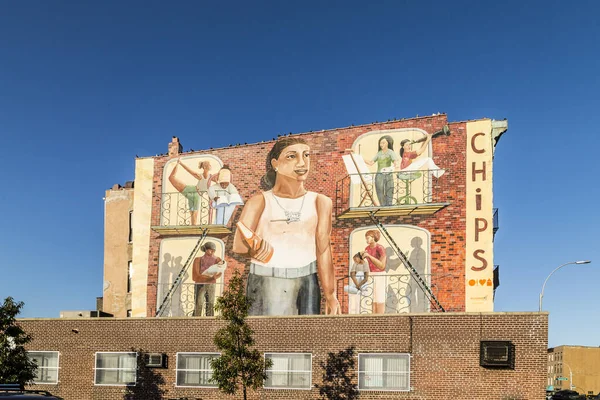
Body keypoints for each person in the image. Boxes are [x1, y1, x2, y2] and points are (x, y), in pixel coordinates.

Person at [233, 137, 340, 316]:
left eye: (306, 155)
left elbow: (323, 250)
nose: (302, 162)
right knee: (268, 339)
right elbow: (238, 244)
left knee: (305, 340)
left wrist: (330, 294)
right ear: (275, 163)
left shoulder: (321, 202)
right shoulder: (259, 201)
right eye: (292, 156)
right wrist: (255, 249)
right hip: (267, 280)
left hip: (308, 281)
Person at [168, 159, 215, 225]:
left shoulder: (211, 177)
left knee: (193, 215)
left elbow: (219, 180)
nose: (210, 166)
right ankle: (177, 164)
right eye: (209, 165)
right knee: (171, 178)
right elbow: (189, 170)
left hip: (194, 193)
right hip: (192, 191)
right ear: (204, 167)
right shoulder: (202, 176)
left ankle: (193, 229)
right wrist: (180, 163)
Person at [365, 135, 400, 206]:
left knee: (389, 190)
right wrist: (360, 158)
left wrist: (396, 165)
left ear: (388, 143)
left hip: (388, 175)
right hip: (379, 175)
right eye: (380, 143)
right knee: (379, 191)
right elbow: (371, 162)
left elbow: (395, 161)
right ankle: (382, 206)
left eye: (383, 143)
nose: (381, 145)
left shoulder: (390, 152)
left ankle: (389, 205)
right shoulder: (379, 153)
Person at [192, 241, 223, 316]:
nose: (212, 252)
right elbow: (196, 273)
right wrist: (207, 277)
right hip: (200, 284)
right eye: (210, 250)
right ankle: (196, 319)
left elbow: (220, 271)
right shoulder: (198, 259)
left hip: (211, 284)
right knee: (199, 303)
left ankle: (210, 320)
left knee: (210, 303)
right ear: (206, 250)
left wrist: (214, 276)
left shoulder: (217, 259)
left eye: (214, 250)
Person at [362, 229, 387, 314]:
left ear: (373, 238)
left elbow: (381, 265)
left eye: (368, 238)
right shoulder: (367, 248)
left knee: (380, 297)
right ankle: (373, 317)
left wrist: (369, 256)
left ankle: (380, 316)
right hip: (371, 274)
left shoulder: (380, 248)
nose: (366, 240)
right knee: (373, 297)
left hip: (380, 274)